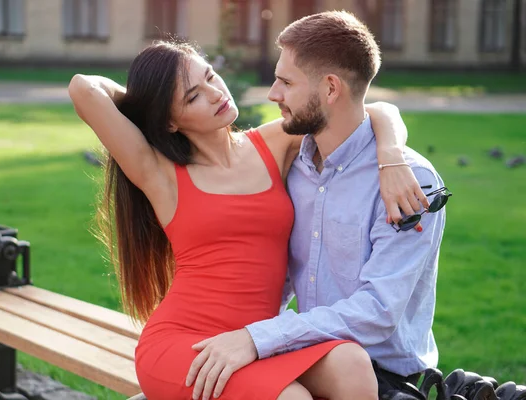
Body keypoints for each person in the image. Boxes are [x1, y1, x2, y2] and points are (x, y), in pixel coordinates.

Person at [68, 38, 426, 400]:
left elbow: (371, 109)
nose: (215, 93)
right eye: (192, 97)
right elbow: (83, 89)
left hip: (258, 339)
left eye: (209, 76)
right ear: (170, 121)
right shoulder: (160, 174)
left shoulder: (272, 142)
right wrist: (147, 101)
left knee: (352, 363)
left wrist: (391, 155)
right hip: (186, 343)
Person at [185, 11, 448, 400]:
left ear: (329, 89)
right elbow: (279, 274)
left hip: (382, 379)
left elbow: (378, 311)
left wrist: (257, 339)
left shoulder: (412, 182)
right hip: (303, 354)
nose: (273, 94)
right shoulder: (293, 166)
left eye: (286, 82)